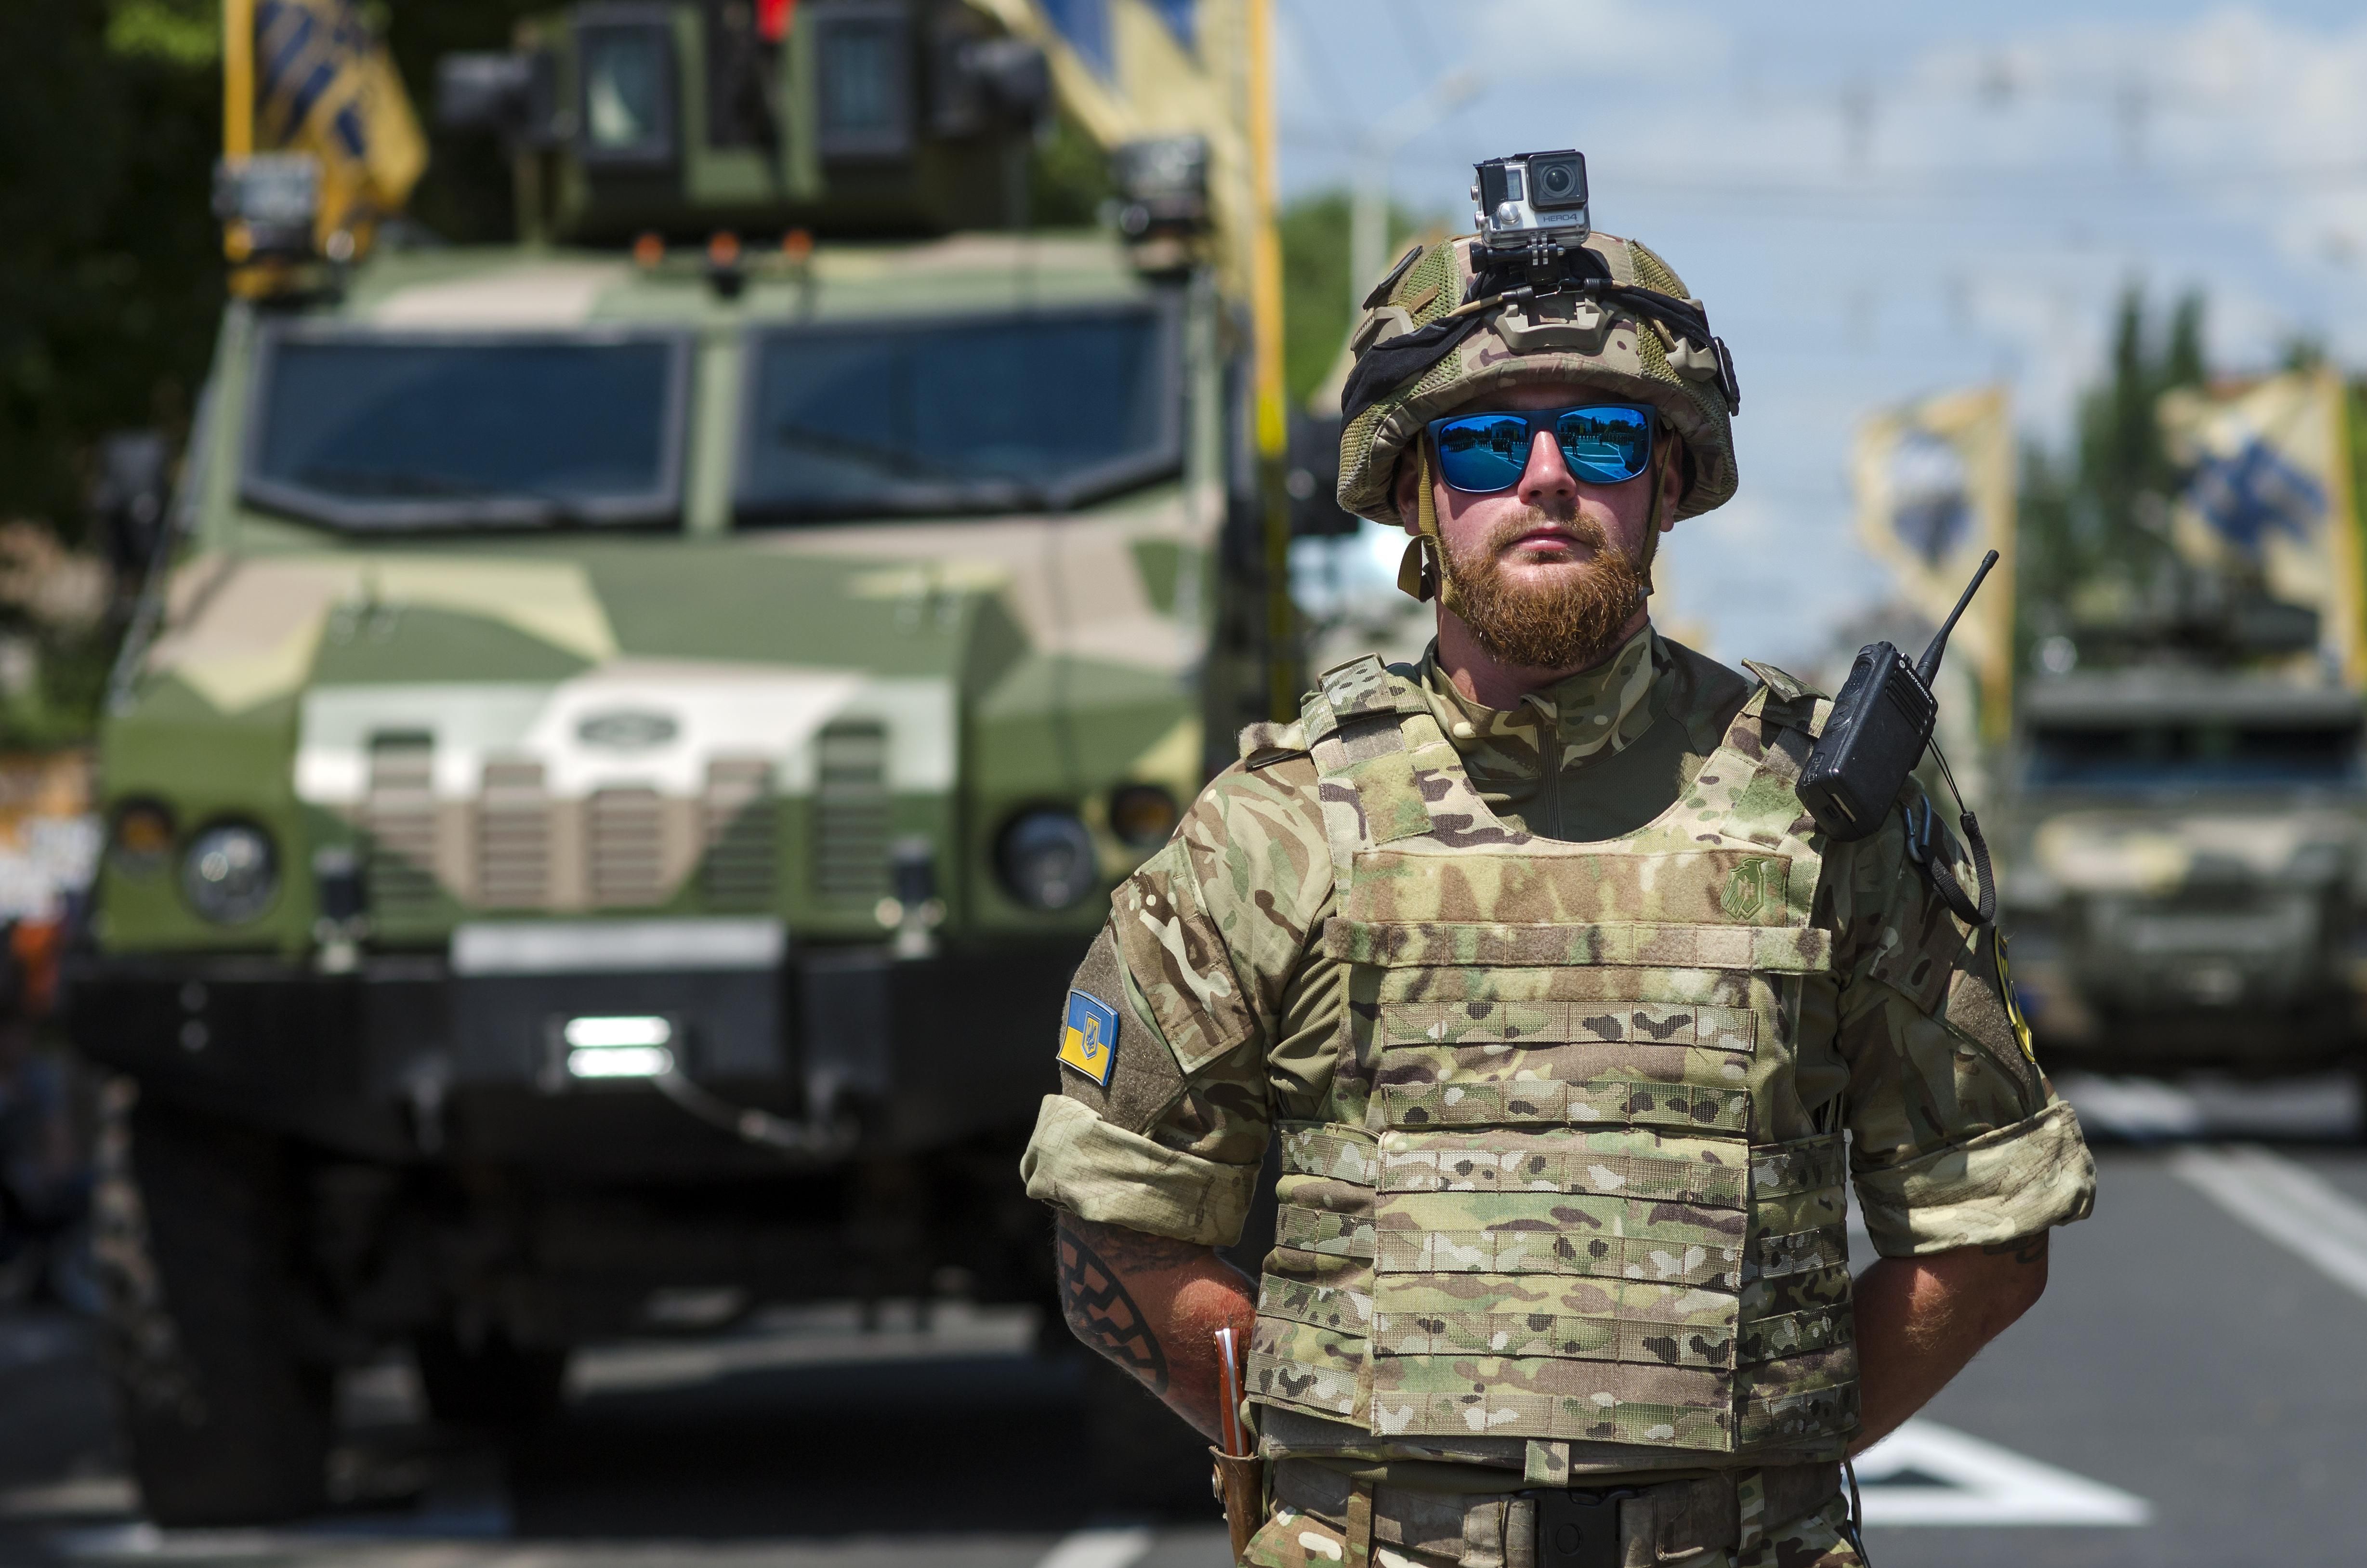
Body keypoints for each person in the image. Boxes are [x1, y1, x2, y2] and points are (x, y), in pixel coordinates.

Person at [1021, 196, 2095, 1568]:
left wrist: (1757, 1472)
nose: (1543, 478)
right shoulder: (1274, 830)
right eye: (1481, 439)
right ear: (1413, 486)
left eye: (1597, 435)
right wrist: (1310, 1481)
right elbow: (1115, 1222)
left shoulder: (1826, 816)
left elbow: (1984, 1224)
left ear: (1664, 480)